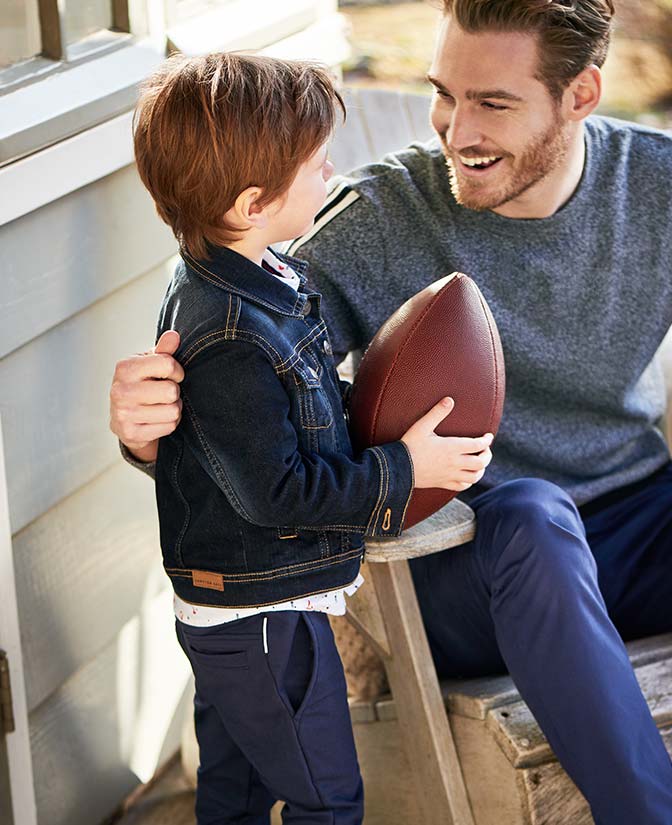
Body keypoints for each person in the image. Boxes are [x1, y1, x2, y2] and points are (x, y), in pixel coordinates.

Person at [110, 2, 672, 823]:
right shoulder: (376, 220)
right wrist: (144, 433)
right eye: (444, 93)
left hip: (632, 524)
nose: (455, 128)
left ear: (580, 95)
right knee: (532, 513)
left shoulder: (655, 184)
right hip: (476, 558)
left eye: (494, 103)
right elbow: (236, 393)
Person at [128, 50, 493, 825]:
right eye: (317, 165)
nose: (332, 173)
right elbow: (278, 491)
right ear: (253, 202)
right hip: (263, 618)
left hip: (244, 611)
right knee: (327, 799)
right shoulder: (230, 334)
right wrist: (402, 468)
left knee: (237, 791)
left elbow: (302, 407)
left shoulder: (255, 276)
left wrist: (392, 423)